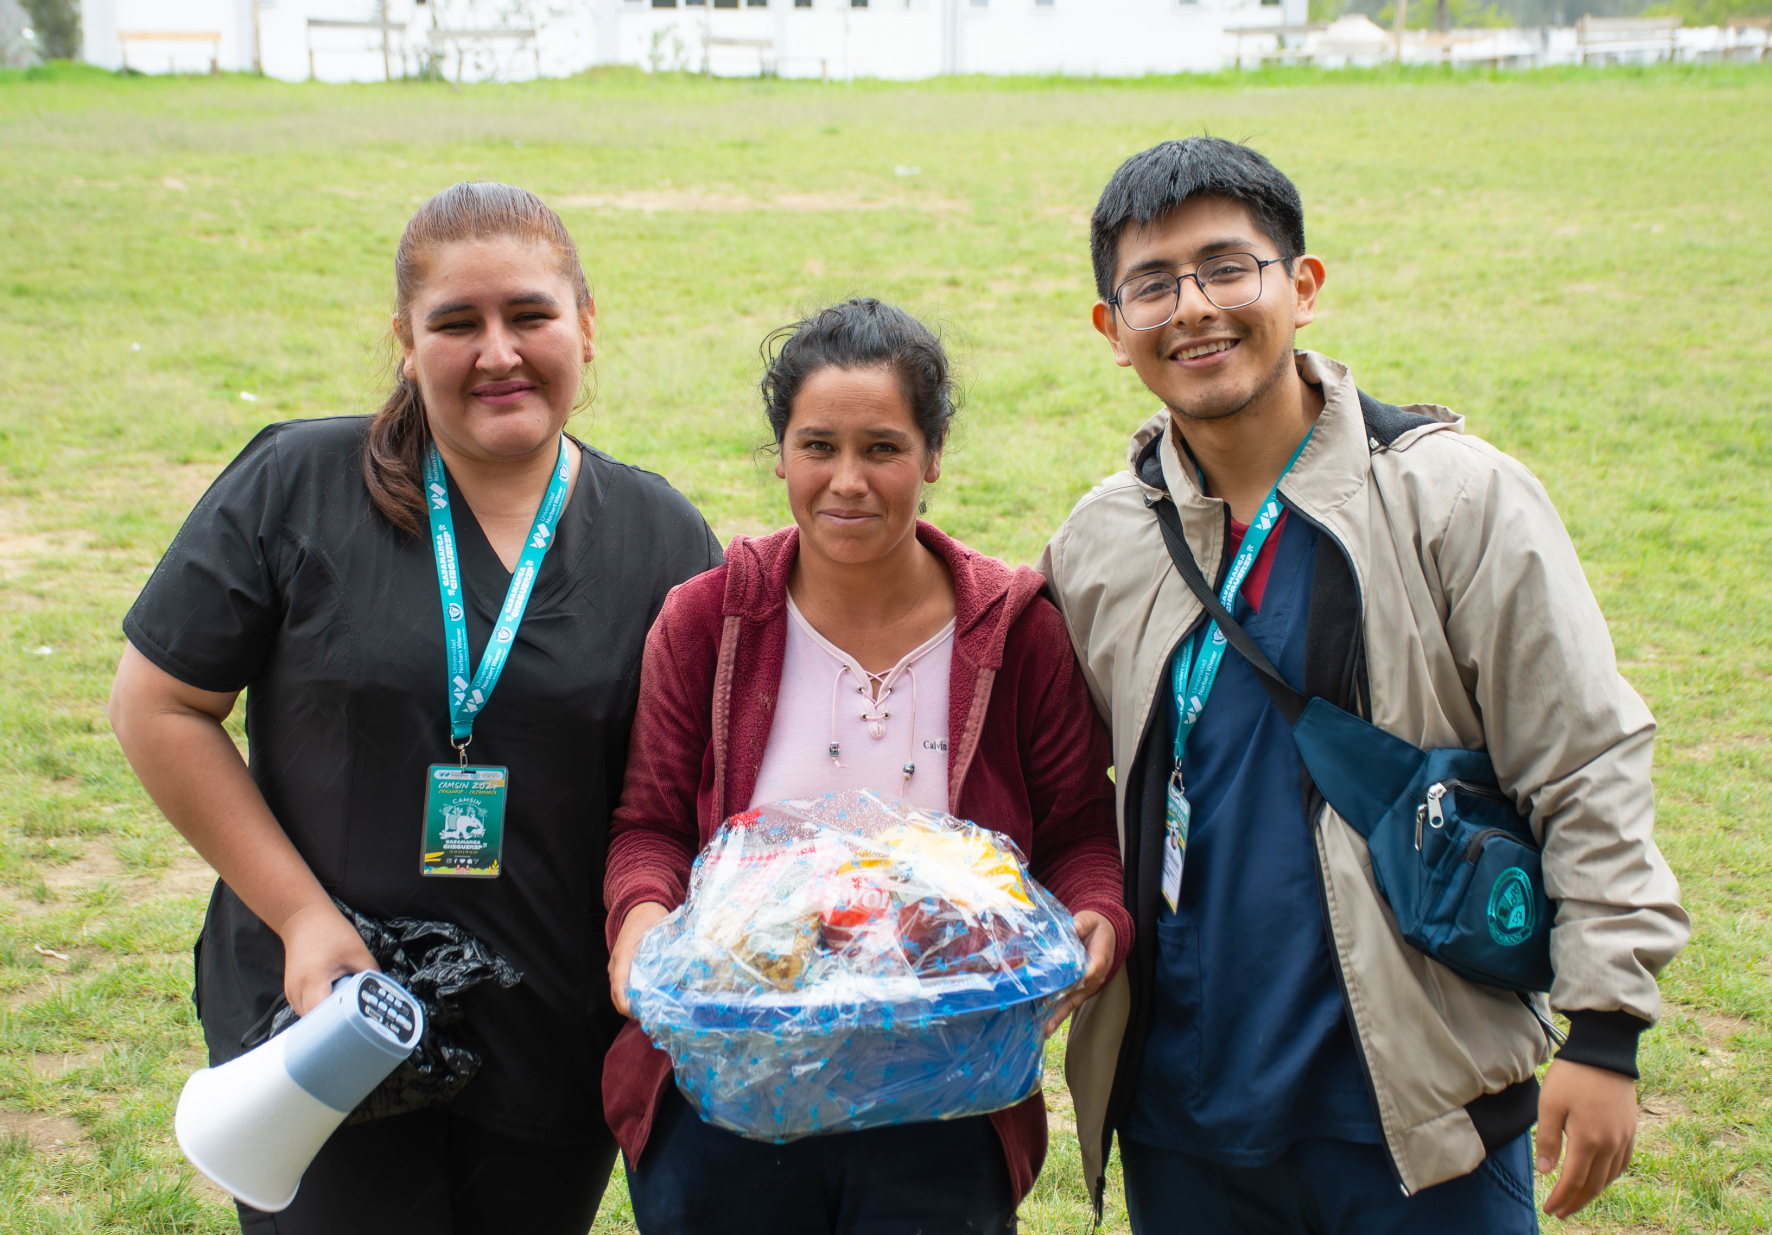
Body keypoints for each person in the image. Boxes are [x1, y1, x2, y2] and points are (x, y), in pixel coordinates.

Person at [1040, 139, 1690, 1234]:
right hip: (1180, 1110)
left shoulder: (1452, 497)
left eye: (1225, 267)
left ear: (1302, 286)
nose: (1191, 307)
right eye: (1151, 283)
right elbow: (1055, 786)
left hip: (1414, 1105)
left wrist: (1606, 1026)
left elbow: (1580, 758)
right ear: (1112, 330)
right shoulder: (1101, 539)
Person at [108, 182, 722, 1234]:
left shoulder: (659, 535)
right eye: (456, 322)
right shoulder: (294, 483)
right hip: (325, 1011)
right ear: (404, 339)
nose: (498, 352)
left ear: (586, 323)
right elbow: (158, 705)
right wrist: (303, 917)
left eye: (529, 314)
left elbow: (684, 786)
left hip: (552, 1026)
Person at [601, 298, 1134, 1235]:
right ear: (780, 454)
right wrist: (641, 922)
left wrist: (1095, 911)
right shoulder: (708, 620)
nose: (848, 481)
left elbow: (1079, 832)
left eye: (883, 447)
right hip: (730, 1087)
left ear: (932, 458)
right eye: (818, 446)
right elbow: (646, 826)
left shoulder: (1016, 629)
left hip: (942, 1089)